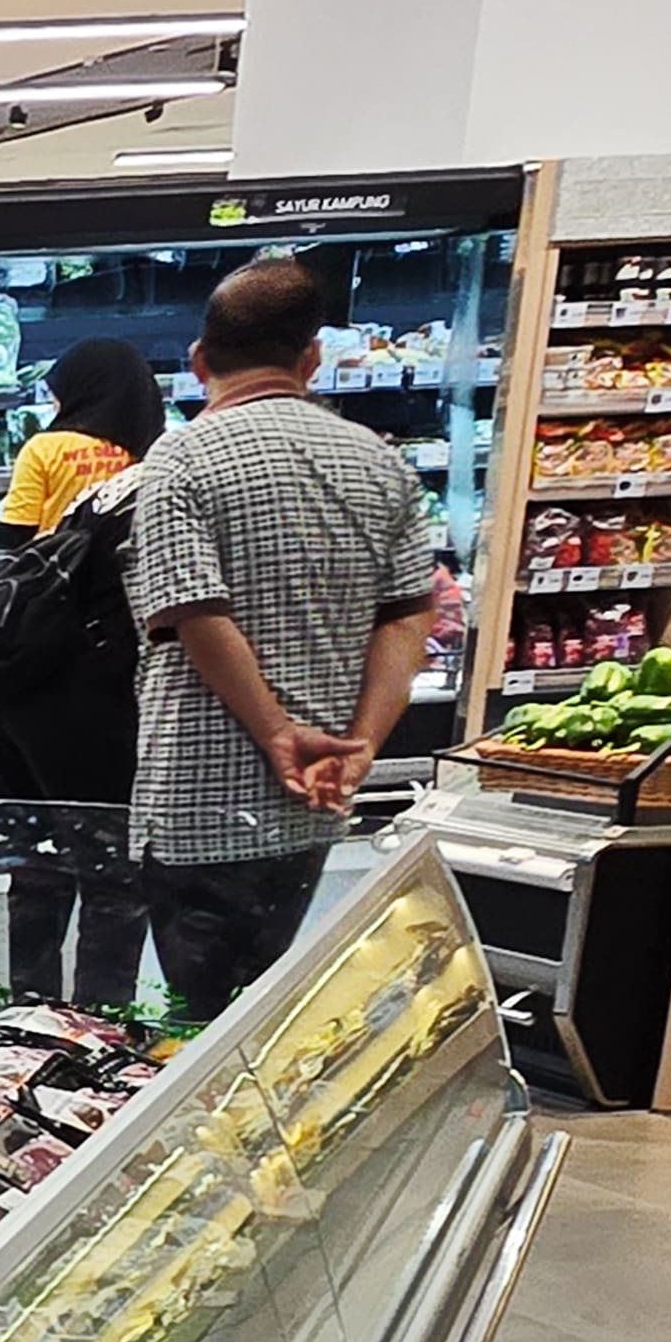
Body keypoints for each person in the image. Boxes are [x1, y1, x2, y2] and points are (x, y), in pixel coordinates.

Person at [122, 255, 442, 1019]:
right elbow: (408, 616)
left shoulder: (183, 456)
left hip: (199, 795)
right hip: (316, 792)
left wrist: (275, 734)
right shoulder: (380, 463)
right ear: (311, 358)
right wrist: (361, 745)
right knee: (266, 1002)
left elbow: (196, 611)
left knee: (197, 1015)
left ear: (200, 359)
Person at [0, 336, 164, 1006]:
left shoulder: (46, 448)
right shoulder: (157, 461)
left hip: (17, 671)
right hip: (99, 675)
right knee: (111, 859)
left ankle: (31, 1010)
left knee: (32, 850)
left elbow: (15, 536)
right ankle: (101, 1019)